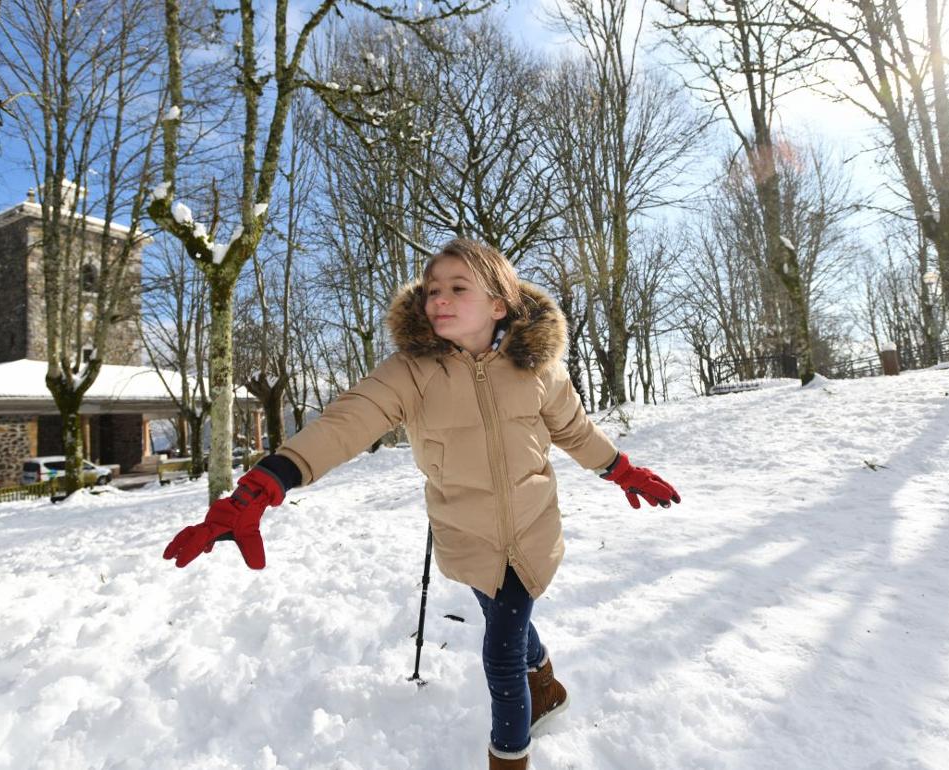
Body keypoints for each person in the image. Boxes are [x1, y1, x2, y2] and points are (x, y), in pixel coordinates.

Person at [163, 238, 681, 769]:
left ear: (498, 303)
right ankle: (545, 682)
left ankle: (510, 756)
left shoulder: (538, 368)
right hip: (464, 533)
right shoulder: (410, 372)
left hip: (530, 527)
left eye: (459, 288)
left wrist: (621, 470)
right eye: (434, 289)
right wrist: (263, 485)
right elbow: (346, 423)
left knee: (501, 655)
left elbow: (574, 430)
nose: (440, 299)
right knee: (507, 620)